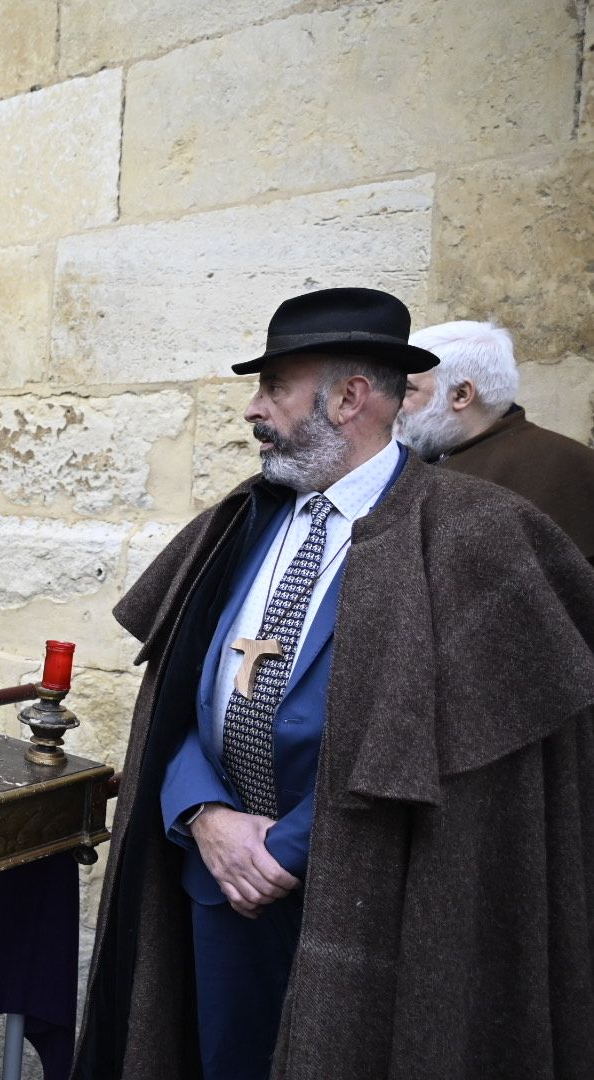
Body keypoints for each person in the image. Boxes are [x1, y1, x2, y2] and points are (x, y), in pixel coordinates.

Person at [74, 288, 594, 1080]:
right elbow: (178, 696)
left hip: (371, 908)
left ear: (350, 397)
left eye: (273, 387)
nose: (254, 410)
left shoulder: (477, 534)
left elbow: (459, 757)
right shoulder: (240, 521)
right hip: (217, 885)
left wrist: (280, 849)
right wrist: (202, 812)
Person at [396, 319, 594, 561]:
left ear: (461, 395)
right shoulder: (427, 458)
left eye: (407, 389)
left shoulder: (568, 465)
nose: (396, 404)